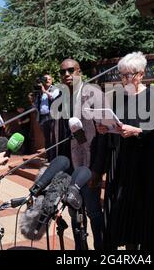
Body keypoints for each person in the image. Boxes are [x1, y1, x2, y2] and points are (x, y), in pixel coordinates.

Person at [97, 52, 154, 250]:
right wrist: (105, 128)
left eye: (129, 75)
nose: (124, 79)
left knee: (150, 218)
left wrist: (137, 132)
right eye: (121, 75)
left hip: (149, 164)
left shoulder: (152, 96)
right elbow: (118, 125)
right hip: (127, 162)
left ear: (141, 74)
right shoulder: (119, 98)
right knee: (129, 218)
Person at [51, 59, 106, 250]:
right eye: (62, 72)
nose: (66, 74)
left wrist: (98, 170)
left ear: (79, 72)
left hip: (88, 167)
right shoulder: (60, 99)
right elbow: (57, 135)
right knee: (74, 215)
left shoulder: (94, 93)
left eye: (70, 70)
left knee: (93, 213)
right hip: (69, 168)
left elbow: (103, 134)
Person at [35, 74, 59, 162]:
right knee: (47, 139)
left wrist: (45, 91)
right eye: (45, 79)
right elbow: (36, 104)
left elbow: (54, 97)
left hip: (51, 117)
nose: (48, 80)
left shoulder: (55, 89)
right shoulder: (40, 91)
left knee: (53, 138)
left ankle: (54, 158)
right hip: (43, 117)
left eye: (49, 79)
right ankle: (49, 158)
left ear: (52, 80)